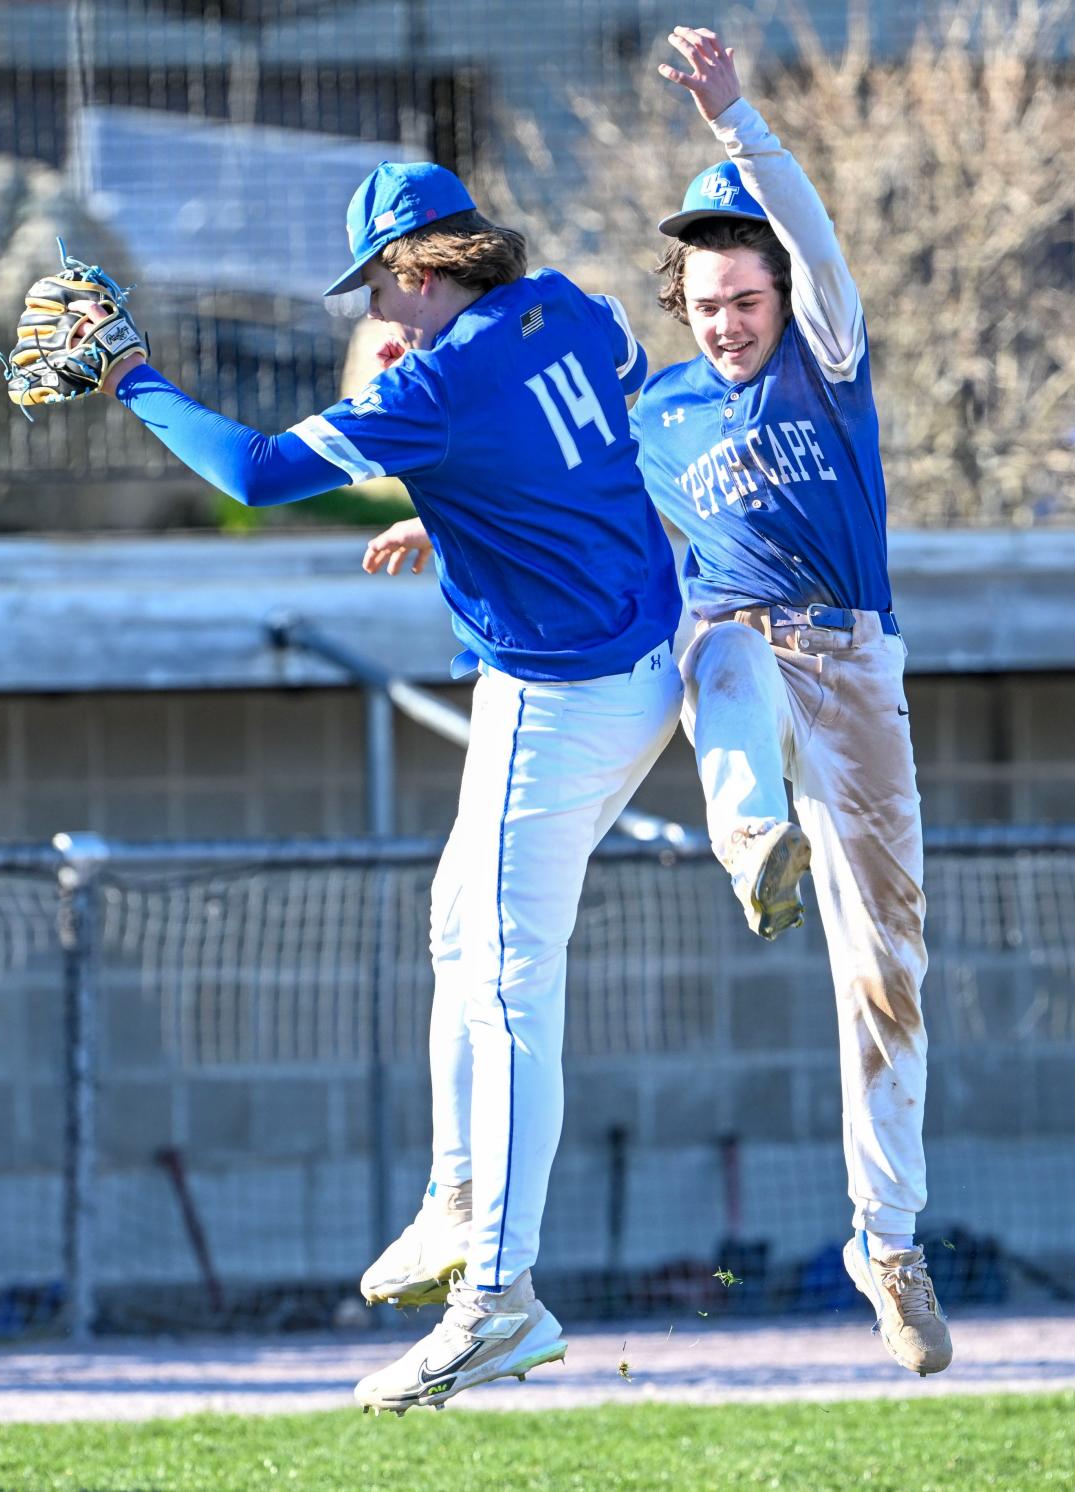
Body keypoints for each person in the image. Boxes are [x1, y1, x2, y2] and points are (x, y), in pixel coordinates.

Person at [366, 26, 953, 1378]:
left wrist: (739, 125)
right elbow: (558, 497)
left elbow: (802, 233)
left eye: (746, 296)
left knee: (887, 971)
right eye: (705, 302)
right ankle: (751, 842)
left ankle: (888, 1241)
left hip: (849, 663)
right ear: (679, 309)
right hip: (718, 647)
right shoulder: (660, 410)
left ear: (778, 296)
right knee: (716, 650)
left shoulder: (824, 361)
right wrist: (437, 525)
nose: (726, 320)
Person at [85, 159, 685, 1411]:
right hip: (638, 654)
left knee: (511, 984)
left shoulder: (443, 378)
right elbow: (613, 410)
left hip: (558, 692)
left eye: (378, 289)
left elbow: (253, 473)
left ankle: (499, 1295)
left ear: (422, 268)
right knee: (455, 930)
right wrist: (462, 509)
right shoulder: (568, 307)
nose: (375, 315)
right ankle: (458, 1203)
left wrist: (131, 375)